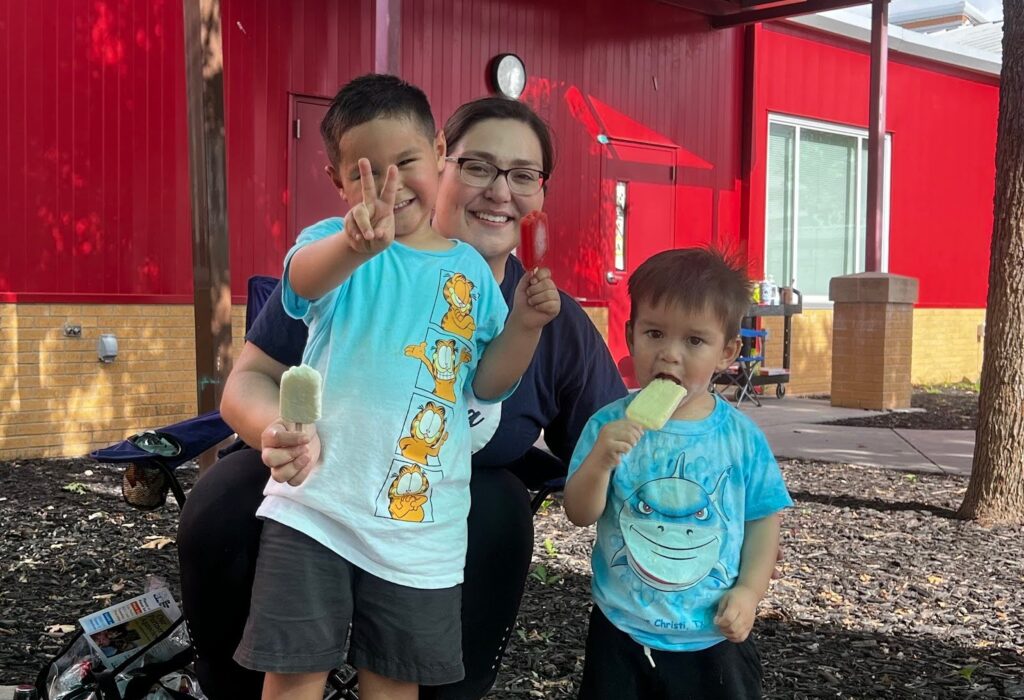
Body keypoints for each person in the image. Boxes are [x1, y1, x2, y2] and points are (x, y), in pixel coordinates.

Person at [177, 94, 628, 700]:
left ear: (540, 192)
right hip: (321, 487)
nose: (500, 191)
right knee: (223, 498)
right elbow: (250, 378)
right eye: (479, 167)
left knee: (497, 505)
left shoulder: (551, 319)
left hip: (428, 521)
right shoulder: (347, 258)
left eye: (523, 175)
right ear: (447, 160)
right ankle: (230, 684)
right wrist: (276, 431)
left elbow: (600, 437)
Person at [563, 248, 793, 700]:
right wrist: (600, 462)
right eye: (654, 333)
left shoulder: (741, 439)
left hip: (711, 638)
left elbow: (763, 524)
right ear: (630, 336)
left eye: (694, 341)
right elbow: (579, 512)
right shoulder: (606, 426)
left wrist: (748, 592)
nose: (669, 354)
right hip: (621, 629)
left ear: (727, 352)